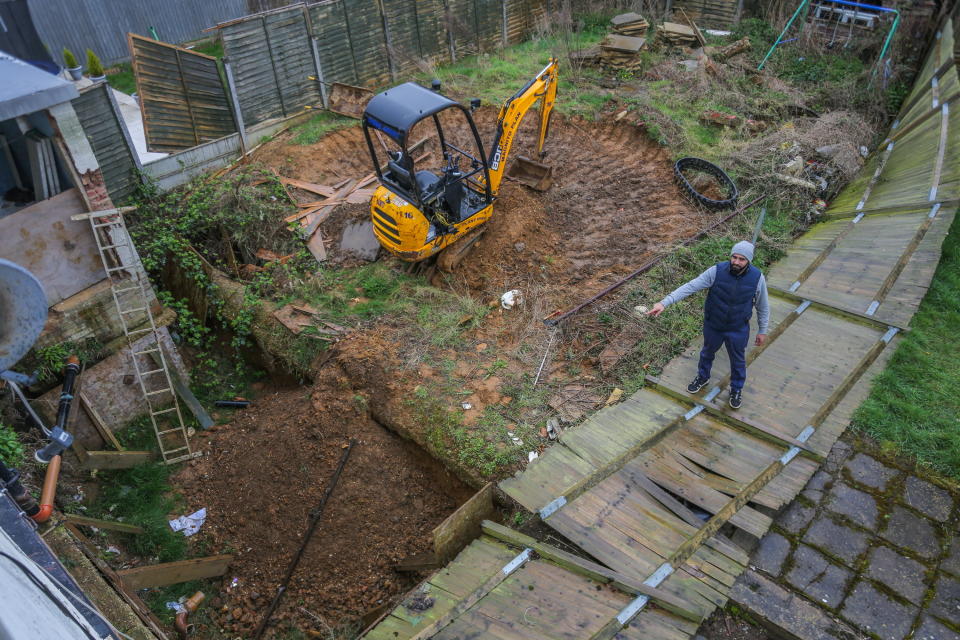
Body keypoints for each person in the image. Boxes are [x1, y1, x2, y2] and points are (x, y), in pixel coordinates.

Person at [646, 241, 769, 409]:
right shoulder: (716, 271)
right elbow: (691, 286)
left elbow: (763, 306)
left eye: (742, 259)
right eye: (734, 257)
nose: (736, 262)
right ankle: (702, 378)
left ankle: (736, 389)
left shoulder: (757, 278)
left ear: (749, 261)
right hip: (714, 325)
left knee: (738, 361)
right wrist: (664, 303)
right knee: (707, 353)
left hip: (738, 328)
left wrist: (762, 330)